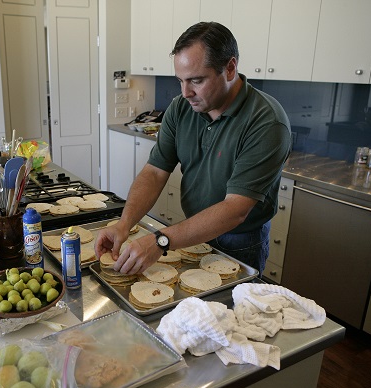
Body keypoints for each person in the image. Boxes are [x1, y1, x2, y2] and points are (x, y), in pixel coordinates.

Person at [95, 21, 291, 276]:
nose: (185, 92)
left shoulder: (266, 122)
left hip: (240, 242)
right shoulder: (181, 108)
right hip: (191, 232)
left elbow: (235, 210)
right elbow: (154, 172)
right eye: (180, 81)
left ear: (230, 68)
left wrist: (160, 240)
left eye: (196, 80)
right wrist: (124, 225)